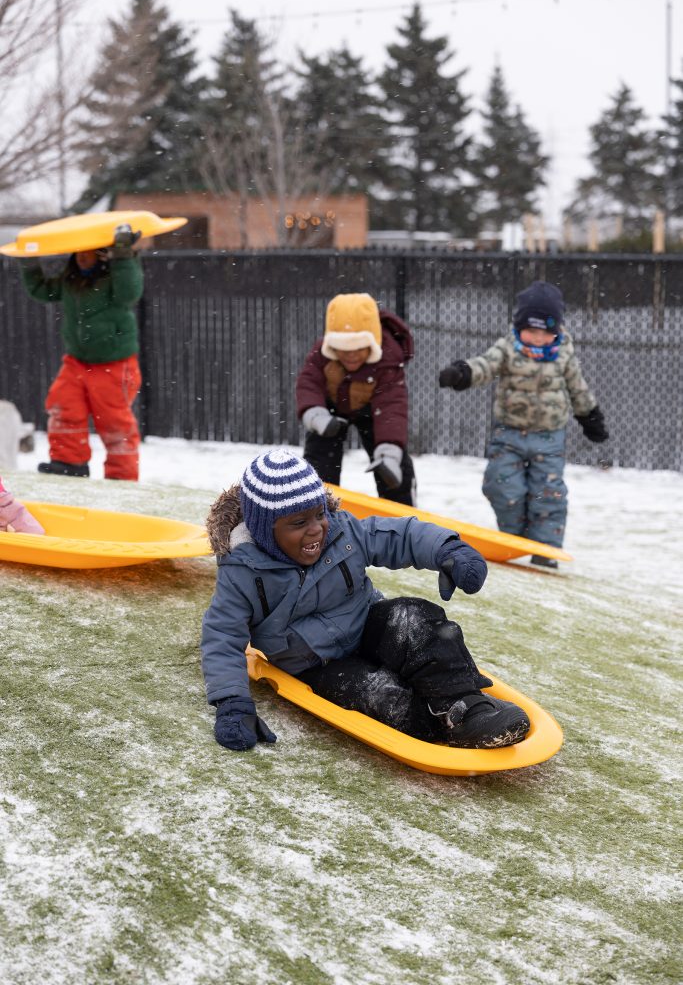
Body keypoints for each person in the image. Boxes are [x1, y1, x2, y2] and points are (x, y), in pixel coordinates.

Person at [200, 448, 530, 753]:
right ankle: (438, 723)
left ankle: (465, 705)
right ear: (264, 530)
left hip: (366, 625)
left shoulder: (341, 531)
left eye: (319, 514)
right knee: (380, 695)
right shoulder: (243, 572)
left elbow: (399, 535)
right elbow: (223, 637)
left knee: (414, 619)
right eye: (299, 523)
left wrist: (448, 550)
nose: (317, 529)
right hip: (315, 663)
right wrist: (232, 703)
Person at [439, 280, 608, 568]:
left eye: (544, 332)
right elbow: (485, 364)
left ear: (555, 331)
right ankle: (514, 538)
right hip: (509, 434)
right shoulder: (508, 348)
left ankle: (545, 550)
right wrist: (463, 373)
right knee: (500, 485)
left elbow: (577, 387)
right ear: (519, 328)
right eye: (530, 331)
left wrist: (589, 416)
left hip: (549, 437)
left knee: (548, 495)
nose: (537, 338)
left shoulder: (564, 353)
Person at [17, 224, 144, 480]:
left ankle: (122, 476)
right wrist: (29, 263)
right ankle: (68, 462)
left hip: (114, 364)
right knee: (63, 405)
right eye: (78, 254)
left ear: (102, 255)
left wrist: (122, 254)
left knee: (114, 422)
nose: (82, 258)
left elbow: (131, 292)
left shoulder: (115, 278)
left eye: (88, 253)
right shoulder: (71, 280)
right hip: (77, 362)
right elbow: (42, 290)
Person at [296, 292, 417, 506]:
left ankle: (404, 513)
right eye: (344, 348)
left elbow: (391, 407)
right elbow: (309, 382)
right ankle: (316, 507)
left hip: (373, 411)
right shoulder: (322, 353)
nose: (351, 355)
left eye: (359, 348)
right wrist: (317, 416)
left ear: (373, 342)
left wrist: (389, 451)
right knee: (320, 459)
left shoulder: (388, 359)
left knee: (393, 470)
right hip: (330, 411)